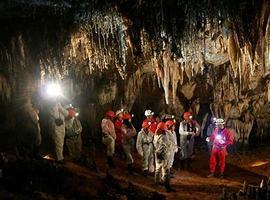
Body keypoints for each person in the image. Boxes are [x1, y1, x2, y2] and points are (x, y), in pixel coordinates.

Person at [154, 122, 175, 192]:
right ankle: (167, 187)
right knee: (166, 171)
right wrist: (172, 146)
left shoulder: (156, 135)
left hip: (157, 154)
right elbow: (167, 145)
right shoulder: (164, 136)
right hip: (163, 155)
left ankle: (156, 182)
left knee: (157, 169)